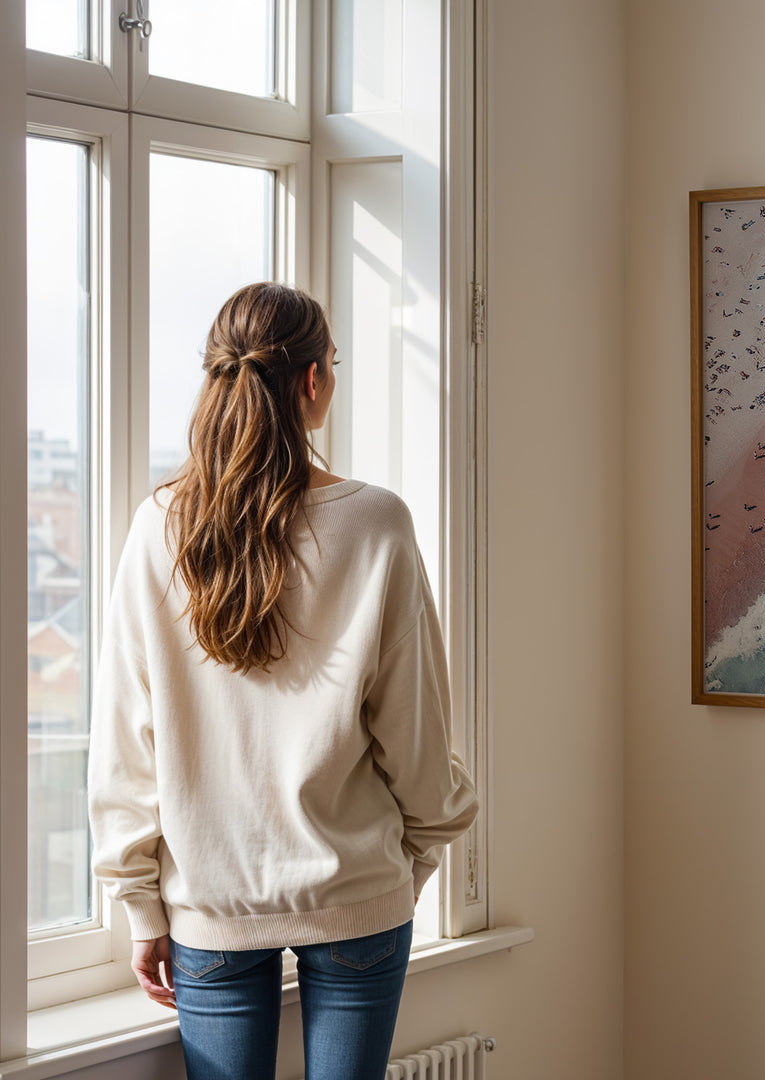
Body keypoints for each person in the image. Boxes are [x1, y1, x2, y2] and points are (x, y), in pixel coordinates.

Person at [88, 282, 479, 1080]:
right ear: (311, 381)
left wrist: (140, 905)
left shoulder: (158, 524)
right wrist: (422, 852)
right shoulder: (375, 523)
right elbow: (415, 724)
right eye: (331, 364)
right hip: (359, 890)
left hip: (209, 904)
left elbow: (126, 732)